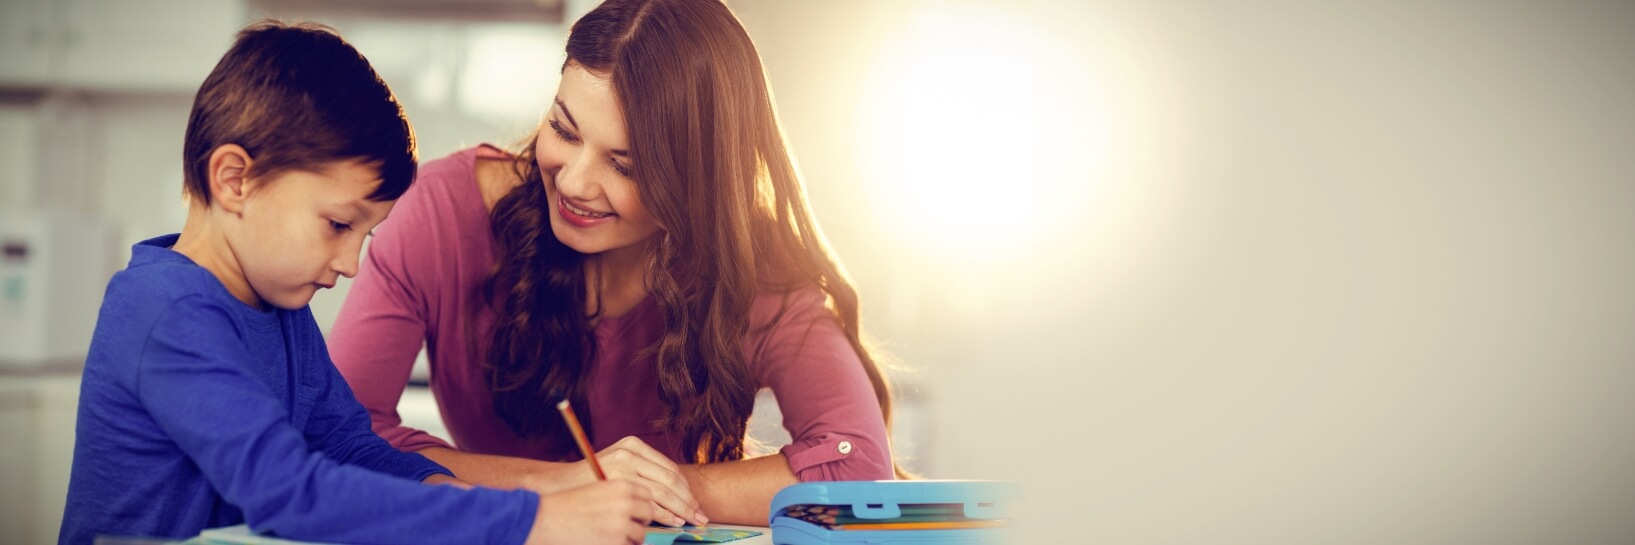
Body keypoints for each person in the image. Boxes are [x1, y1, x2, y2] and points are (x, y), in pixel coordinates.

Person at [59, 21, 652, 545]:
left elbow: (353, 449)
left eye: (364, 235)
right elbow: (287, 490)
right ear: (235, 180)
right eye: (339, 225)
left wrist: (482, 503)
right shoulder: (164, 310)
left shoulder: (281, 312)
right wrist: (528, 523)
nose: (351, 264)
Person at [329, 0, 901, 526]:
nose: (574, 183)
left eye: (625, 166)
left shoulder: (753, 264)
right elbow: (335, 438)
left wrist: (645, 488)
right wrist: (565, 485)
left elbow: (858, 468)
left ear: (697, 182)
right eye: (563, 130)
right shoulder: (440, 215)